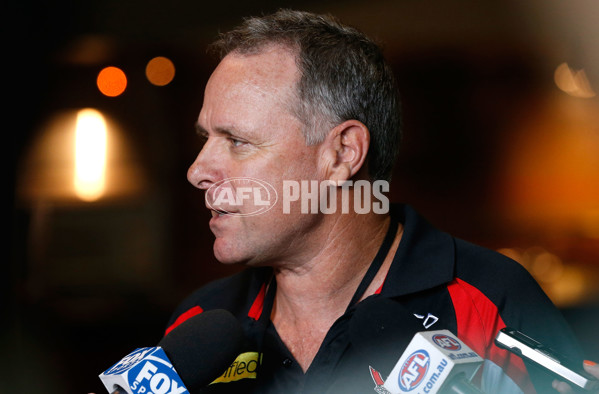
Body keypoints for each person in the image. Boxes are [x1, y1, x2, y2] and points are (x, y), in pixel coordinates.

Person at [167, 9, 585, 394]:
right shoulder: (200, 322)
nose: (198, 170)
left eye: (237, 141)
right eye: (207, 139)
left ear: (343, 152)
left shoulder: (493, 301)